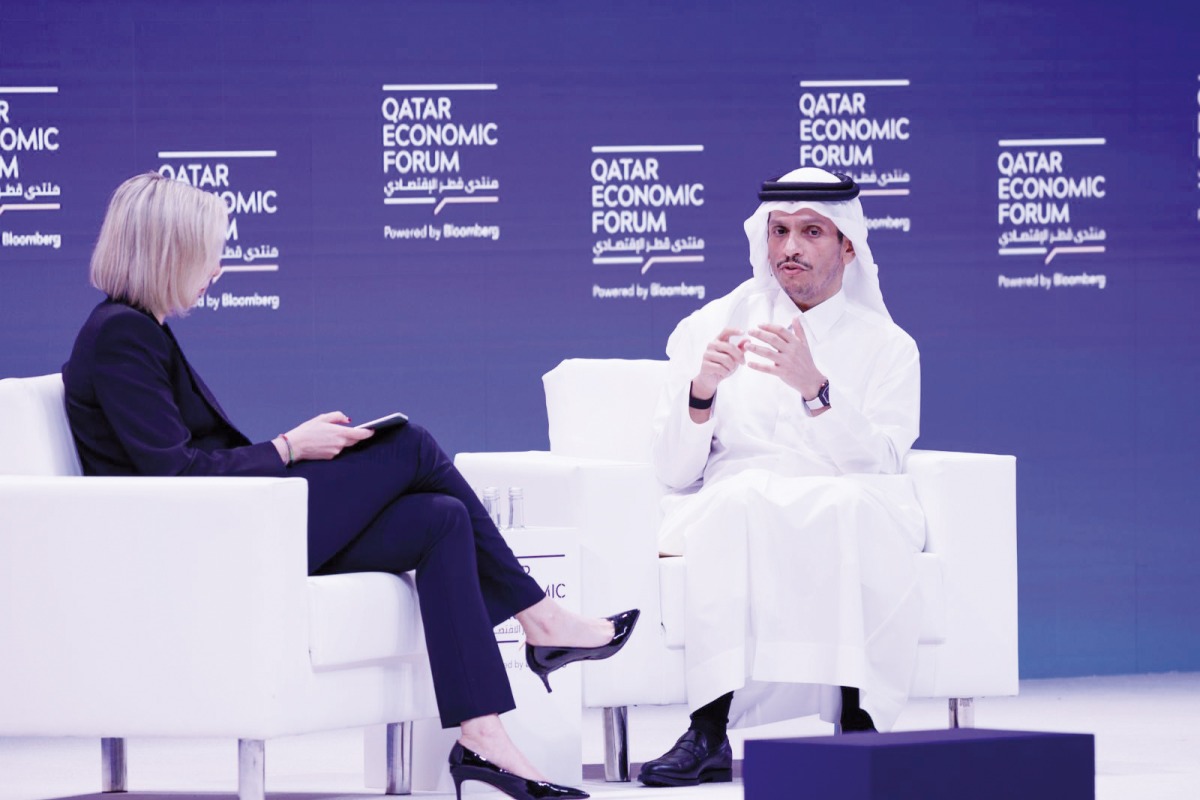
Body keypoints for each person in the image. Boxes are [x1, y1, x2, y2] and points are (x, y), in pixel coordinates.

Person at [63, 172, 639, 800]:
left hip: (238, 524)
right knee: (412, 444)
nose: (218, 269)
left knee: (441, 519)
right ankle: (542, 618)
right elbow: (173, 474)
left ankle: (484, 740)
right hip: (217, 543)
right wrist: (288, 448)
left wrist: (289, 447)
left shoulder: (139, 328)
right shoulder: (122, 333)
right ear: (169, 252)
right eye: (210, 253)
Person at [638, 167, 925, 787]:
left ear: (848, 245)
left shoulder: (889, 346)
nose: (789, 248)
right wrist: (701, 392)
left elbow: (883, 463)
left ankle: (859, 720)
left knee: (848, 506)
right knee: (738, 499)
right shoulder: (710, 325)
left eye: (811, 231)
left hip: (848, 488)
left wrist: (816, 391)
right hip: (737, 492)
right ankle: (708, 730)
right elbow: (672, 470)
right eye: (780, 231)